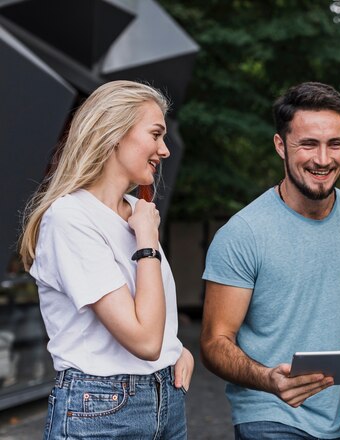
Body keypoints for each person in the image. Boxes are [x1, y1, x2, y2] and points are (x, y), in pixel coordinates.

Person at [201, 81, 340, 439]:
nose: (323, 159)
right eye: (308, 144)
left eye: (334, 144)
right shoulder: (243, 233)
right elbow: (215, 341)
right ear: (281, 145)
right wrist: (268, 379)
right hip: (268, 414)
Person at [19, 80, 194, 439]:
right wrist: (146, 243)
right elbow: (143, 340)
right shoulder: (70, 218)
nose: (164, 150)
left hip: (166, 397)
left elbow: (154, 326)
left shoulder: (134, 210)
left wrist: (176, 349)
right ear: (114, 132)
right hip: (102, 408)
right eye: (155, 134)